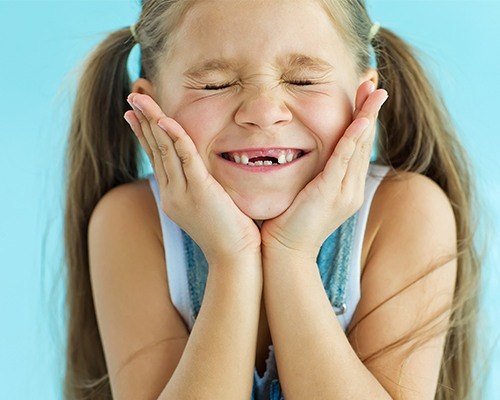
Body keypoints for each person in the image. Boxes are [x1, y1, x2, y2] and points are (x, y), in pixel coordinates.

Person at [62, 1, 483, 399]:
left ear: (362, 97)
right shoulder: (129, 222)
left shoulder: (406, 212)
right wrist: (232, 259)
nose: (264, 112)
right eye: (216, 84)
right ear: (150, 106)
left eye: (303, 80)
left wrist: (291, 255)